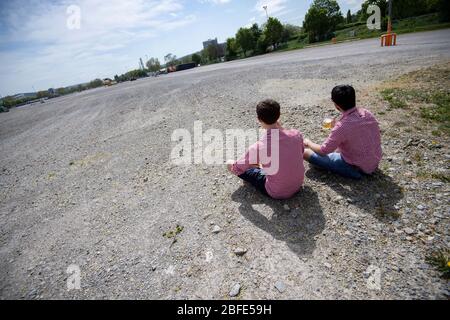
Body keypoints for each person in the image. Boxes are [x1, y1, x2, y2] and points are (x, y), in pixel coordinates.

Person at [227, 99, 305, 199]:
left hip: (276, 191)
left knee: (230, 163)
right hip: (297, 185)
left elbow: (237, 168)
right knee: (266, 164)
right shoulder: (296, 134)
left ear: (259, 119)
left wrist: (248, 166)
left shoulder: (259, 146)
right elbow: (299, 154)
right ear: (279, 115)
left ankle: (258, 170)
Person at [303, 85, 382, 179]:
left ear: (336, 105)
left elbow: (324, 151)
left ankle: (352, 173)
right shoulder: (366, 113)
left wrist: (308, 142)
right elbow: (356, 130)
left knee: (306, 152)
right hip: (374, 162)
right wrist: (337, 126)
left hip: (356, 167)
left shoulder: (341, 127)